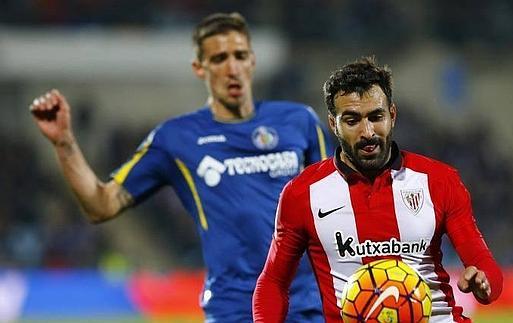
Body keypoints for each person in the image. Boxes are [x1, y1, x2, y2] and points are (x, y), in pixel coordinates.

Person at [29, 12, 332, 322]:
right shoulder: (176, 138)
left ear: (252, 60)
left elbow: (338, 203)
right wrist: (64, 143)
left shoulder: (300, 122)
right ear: (199, 68)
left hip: (308, 305)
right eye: (219, 58)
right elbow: (101, 205)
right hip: (236, 309)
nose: (232, 68)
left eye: (240, 55)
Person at [253, 57, 503, 322]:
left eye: (376, 117)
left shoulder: (439, 181)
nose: (367, 132)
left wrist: (483, 282)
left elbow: (486, 268)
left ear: (392, 115)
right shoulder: (302, 193)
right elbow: (273, 282)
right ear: (332, 123)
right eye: (352, 120)